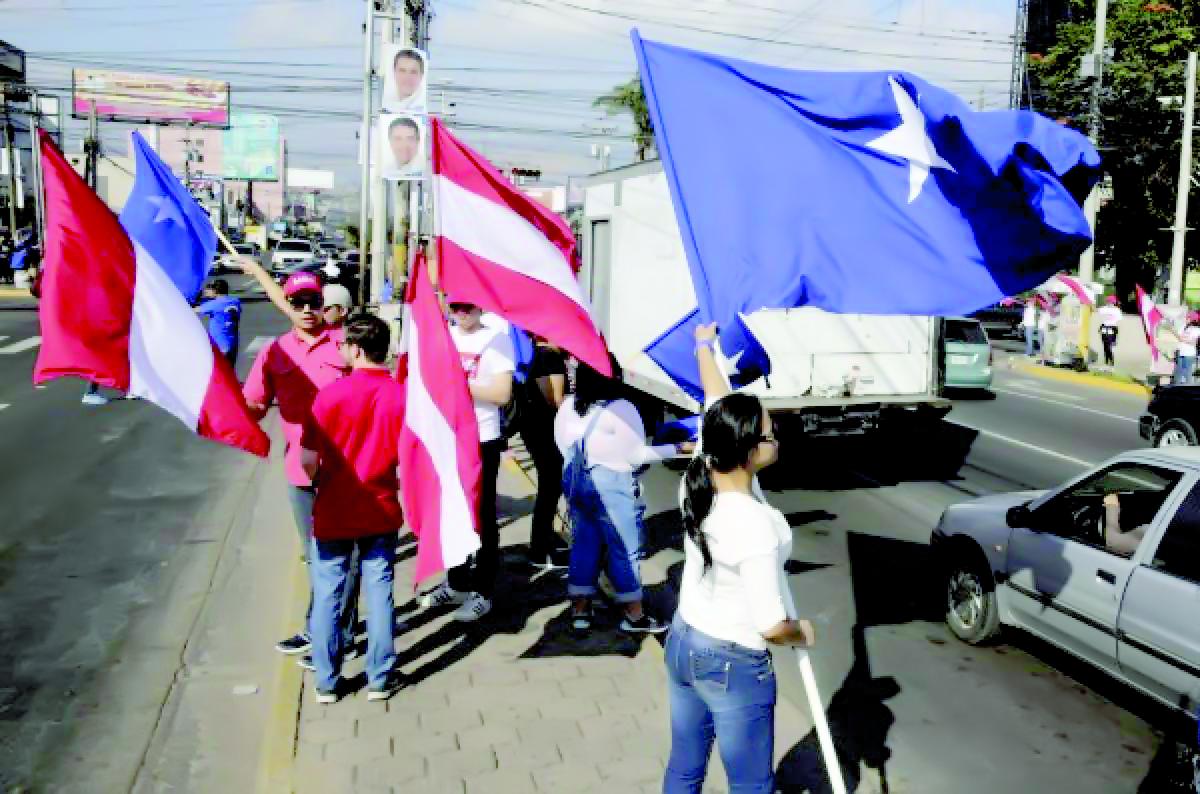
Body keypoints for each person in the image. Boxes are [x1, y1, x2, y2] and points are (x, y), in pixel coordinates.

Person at [664, 393, 816, 794]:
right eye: (769, 433)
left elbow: (718, 400)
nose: (776, 437)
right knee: (751, 784)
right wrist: (801, 631)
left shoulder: (694, 481)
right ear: (748, 450)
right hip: (731, 664)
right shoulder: (755, 523)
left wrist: (706, 354)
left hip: (683, 640)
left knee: (684, 767)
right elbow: (770, 626)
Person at [243, 272, 359, 657]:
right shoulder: (274, 352)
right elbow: (256, 403)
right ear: (289, 306)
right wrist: (224, 408)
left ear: (324, 305)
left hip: (347, 467)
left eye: (314, 302)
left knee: (347, 555)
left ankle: (339, 635)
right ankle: (319, 628)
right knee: (315, 554)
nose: (307, 310)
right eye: (298, 303)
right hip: (300, 468)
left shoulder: (347, 345)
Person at [300, 313, 408, 703]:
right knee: (379, 590)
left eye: (345, 344)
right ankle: (380, 677)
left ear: (358, 349)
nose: (342, 349)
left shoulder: (329, 395)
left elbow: (307, 459)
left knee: (328, 592)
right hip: (380, 507)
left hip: (334, 507)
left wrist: (321, 480)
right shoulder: (401, 396)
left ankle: (327, 682)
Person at [555, 354, 682, 634]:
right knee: (625, 550)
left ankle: (580, 610)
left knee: (584, 545)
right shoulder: (622, 408)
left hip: (576, 482)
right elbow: (636, 456)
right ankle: (634, 615)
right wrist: (677, 449)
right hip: (613, 488)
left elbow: (562, 445)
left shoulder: (568, 406)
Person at [419, 301, 515, 621]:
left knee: (483, 515)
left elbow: (501, 394)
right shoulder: (443, 336)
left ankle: (483, 591)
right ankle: (457, 582)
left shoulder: (496, 339)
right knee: (452, 513)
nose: (462, 312)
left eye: (469, 305)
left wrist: (457, 384)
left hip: (481, 438)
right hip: (447, 436)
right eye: (456, 305)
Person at [519, 335, 571, 570]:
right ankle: (540, 550)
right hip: (545, 430)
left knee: (549, 487)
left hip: (533, 427)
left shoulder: (534, 354)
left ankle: (544, 540)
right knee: (550, 487)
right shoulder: (549, 357)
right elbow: (555, 399)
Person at [196, 278, 242, 368]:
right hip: (233, 342)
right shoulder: (235, 302)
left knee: (219, 371)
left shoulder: (215, 304)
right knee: (230, 370)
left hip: (219, 344)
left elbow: (194, 310)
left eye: (210, 288)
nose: (207, 290)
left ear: (215, 291)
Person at [1171, 312, 1200, 385]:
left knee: (1187, 375)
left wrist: (1181, 338)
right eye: (1186, 317)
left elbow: (1194, 342)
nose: (1186, 319)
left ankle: (1187, 389)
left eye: (1188, 317)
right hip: (1180, 353)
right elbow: (1179, 337)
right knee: (1178, 374)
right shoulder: (1183, 327)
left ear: (1193, 319)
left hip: (1189, 354)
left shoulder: (1197, 330)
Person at [1097, 295, 1121, 368]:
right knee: (1107, 345)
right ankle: (1109, 360)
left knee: (1107, 345)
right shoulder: (1116, 310)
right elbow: (1118, 320)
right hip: (1109, 328)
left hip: (1108, 328)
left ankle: (1109, 360)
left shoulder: (1104, 309)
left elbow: (1099, 313)